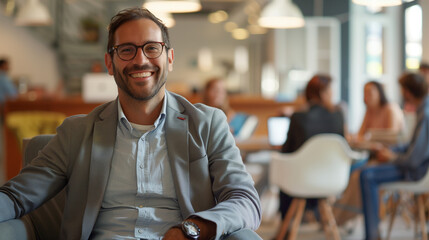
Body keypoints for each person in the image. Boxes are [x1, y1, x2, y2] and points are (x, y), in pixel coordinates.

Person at [0, 7, 261, 240]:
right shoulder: (77, 133)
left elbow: (245, 201)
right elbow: (15, 197)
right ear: (109, 63)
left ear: (169, 58)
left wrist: (193, 228)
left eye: (151, 48)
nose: (140, 60)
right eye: (126, 50)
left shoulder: (207, 124)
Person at [360, 72, 429, 240]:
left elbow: (413, 160)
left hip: (418, 171)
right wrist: (395, 151)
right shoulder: (422, 110)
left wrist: (392, 157)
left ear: (407, 92)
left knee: (367, 175)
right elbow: (412, 146)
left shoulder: (425, 114)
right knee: (366, 170)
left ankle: (372, 236)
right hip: (416, 166)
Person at [279, 74, 345, 219]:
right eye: (330, 90)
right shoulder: (339, 115)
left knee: (283, 168)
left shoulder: (298, 117)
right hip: (333, 178)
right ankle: (314, 213)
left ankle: (286, 224)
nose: (333, 94)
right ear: (323, 93)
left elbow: (287, 151)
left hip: (303, 180)